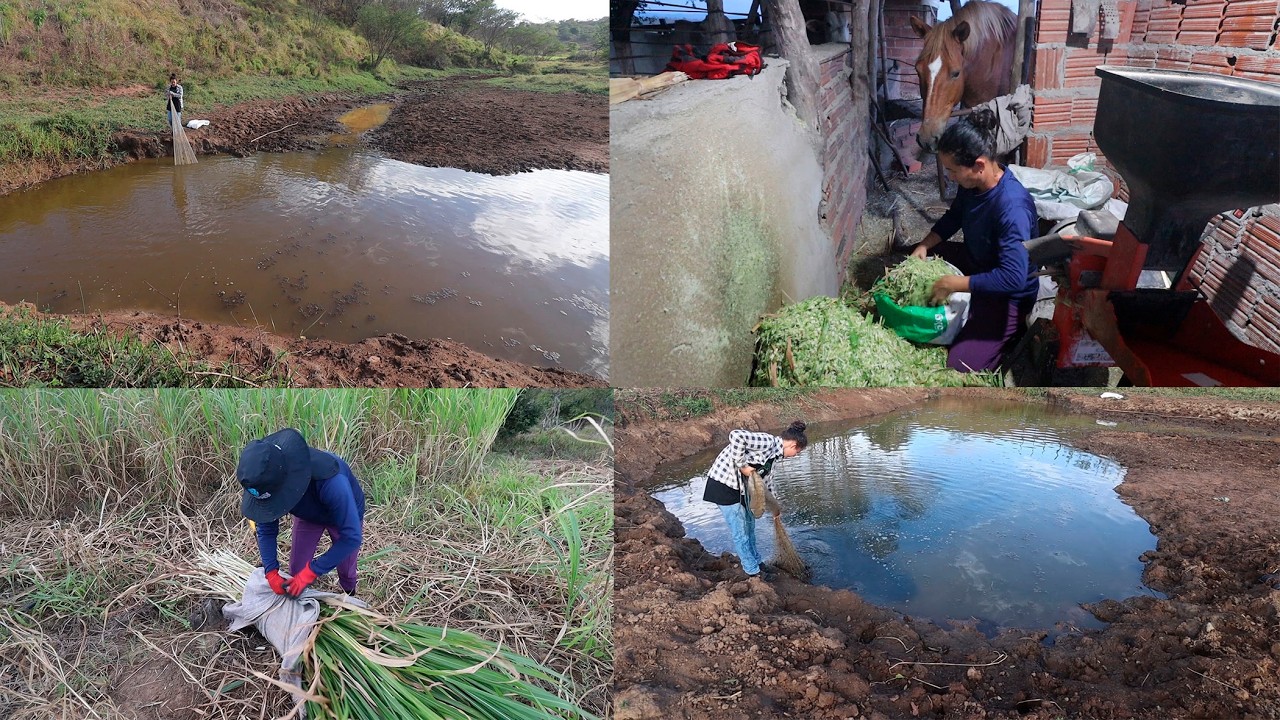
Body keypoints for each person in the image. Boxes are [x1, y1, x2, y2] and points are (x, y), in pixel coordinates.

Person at [910, 107, 1039, 373]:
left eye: (953, 171)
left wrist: (954, 283)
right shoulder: (973, 184)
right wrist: (924, 244)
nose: (950, 177)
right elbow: (955, 215)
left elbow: (1013, 277)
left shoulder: (1012, 208)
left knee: (959, 366)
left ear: (979, 165)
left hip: (1008, 294)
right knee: (910, 260)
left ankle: (1006, 336)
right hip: (978, 260)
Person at [237, 428, 365, 597]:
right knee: (297, 570)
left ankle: (349, 595)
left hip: (341, 514)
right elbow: (266, 526)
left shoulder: (334, 483)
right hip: (308, 514)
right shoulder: (268, 478)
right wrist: (271, 571)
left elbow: (352, 538)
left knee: (346, 567)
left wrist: (311, 572)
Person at [702, 421, 809, 580]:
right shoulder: (767, 442)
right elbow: (736, 436)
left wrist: (775, 507)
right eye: (798, 452)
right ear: (793, 445)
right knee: (741, 532)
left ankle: (757, 562)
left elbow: (766, 484)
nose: (795, 456)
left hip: (742, 491)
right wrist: (743, 465)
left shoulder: (773, 457)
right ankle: (752, 572)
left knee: (750, 528)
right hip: (724, 486)